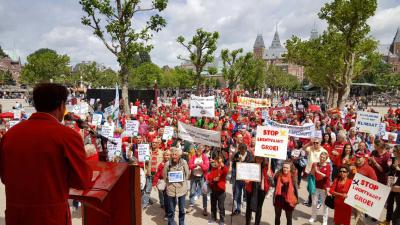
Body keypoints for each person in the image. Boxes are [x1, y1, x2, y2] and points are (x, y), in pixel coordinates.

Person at [0, 83, 93, 225]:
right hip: (51, 217)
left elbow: (5, 177)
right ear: (61, 105)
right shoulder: (67, 136)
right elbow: (83, 181)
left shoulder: (10, 135)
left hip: (16, 216)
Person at [164, 147, 190, 225]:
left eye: (176, 154)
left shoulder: (184, 163)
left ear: (179, 156)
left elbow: (187, 174)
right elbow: (164, 176)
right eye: (173, 155)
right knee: (171, 210)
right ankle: (171, 223)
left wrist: (182, 180)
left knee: (182, 210)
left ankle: (181, 223)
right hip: (171, 189)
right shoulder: (167, 164)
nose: (174, 156)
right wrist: (169, 180)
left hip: (181, 189)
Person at [245, 157, 272, 225]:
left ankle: (256, 223)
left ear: (263, 159)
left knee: (259, 208)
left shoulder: (267, 167)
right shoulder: (251, 165)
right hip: (250, 189)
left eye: (261, 158)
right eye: (257, 158)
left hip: (261, 190)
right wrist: (245, 180)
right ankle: (247, 223)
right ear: (255, 158)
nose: (259, 160)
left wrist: (270, 176)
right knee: (249, 207)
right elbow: (244, 175)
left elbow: (271, 182)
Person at [309, 152, 331, 225]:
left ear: (326, 159)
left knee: (325, 204)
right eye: (321, 157)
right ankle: (313, 217)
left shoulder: (328, 166)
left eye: (324, 157)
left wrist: (318, 171)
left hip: (324, 188)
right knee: (314, 202)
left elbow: (327, 176)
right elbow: (311, 174)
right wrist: (313, 169)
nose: (322, 158)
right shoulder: (315, 164)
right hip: (315, 186)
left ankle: (325, 220)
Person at [273, 160, 298, 225]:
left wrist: (296, 199)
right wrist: (270, 177)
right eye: (284, 167)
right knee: (277, 217)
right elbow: (273, 184)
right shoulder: (278, 175)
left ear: (290, 169)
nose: (285, 169)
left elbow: (295, 189)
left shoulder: (293, 177)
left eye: (287, 168)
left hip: (289, 199)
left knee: (289, 218)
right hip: (279, 198)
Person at [187, 144, 210, 215]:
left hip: (202, 177)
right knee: (192, 191)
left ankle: (205, 208)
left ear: (202, 150)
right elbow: (189, 166)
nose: (198, 151)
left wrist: (200, 164)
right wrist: (196, 165)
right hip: (194, 176)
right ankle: (191, 205)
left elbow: (206, 167)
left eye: (200, 150)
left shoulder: (205, 157)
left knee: (204, 193)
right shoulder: (193, 157)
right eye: (197, 149)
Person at [207, 154, 228, 225]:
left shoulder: (223, 169)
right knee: (213, 205)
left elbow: (226, 171)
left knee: (221, 207)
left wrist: (223, 166)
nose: (215, 163)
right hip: (213, 190)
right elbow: (209, 177)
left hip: (221, 192)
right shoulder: (213, 169)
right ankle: (213, 218)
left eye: (217, 162)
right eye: (215, 162)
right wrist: (213, 180)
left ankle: (222, 220)